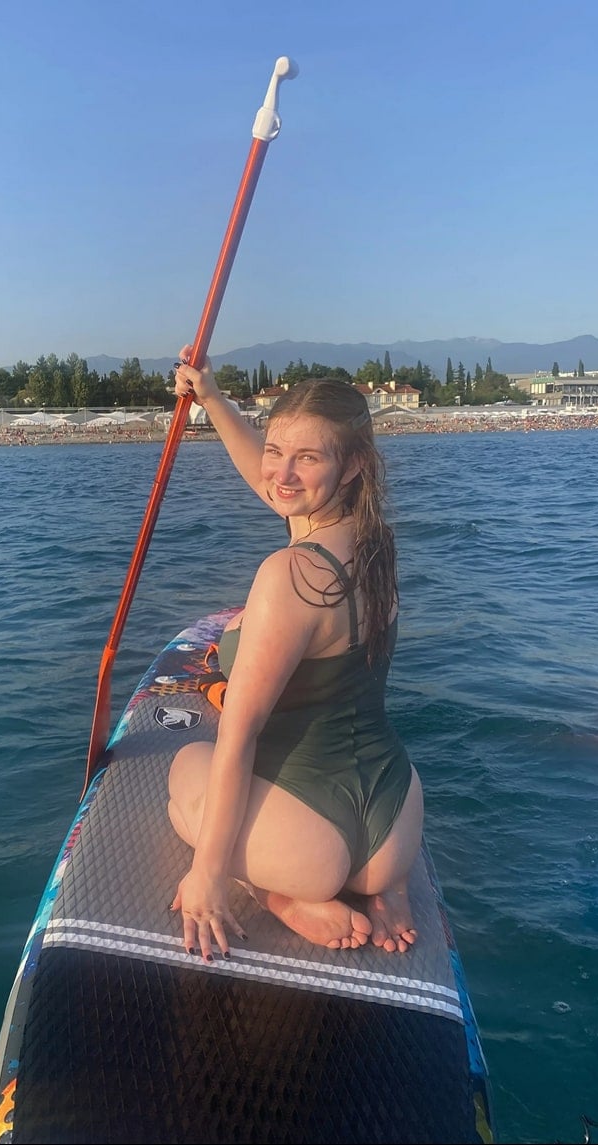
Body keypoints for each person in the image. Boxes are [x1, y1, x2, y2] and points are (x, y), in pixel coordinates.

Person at [167, 346, 424, 963]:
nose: (281, 473)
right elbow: (276, 484)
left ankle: (279, 896)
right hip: (394, 820)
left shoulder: (287, 574)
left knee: (186, 770)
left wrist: (209, 875)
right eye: (276, 450)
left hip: (312, 847)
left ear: (352, 464)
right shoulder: (374, 541)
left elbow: (240, 733)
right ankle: (384, 890)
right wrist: (212, 399)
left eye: (307, 457)